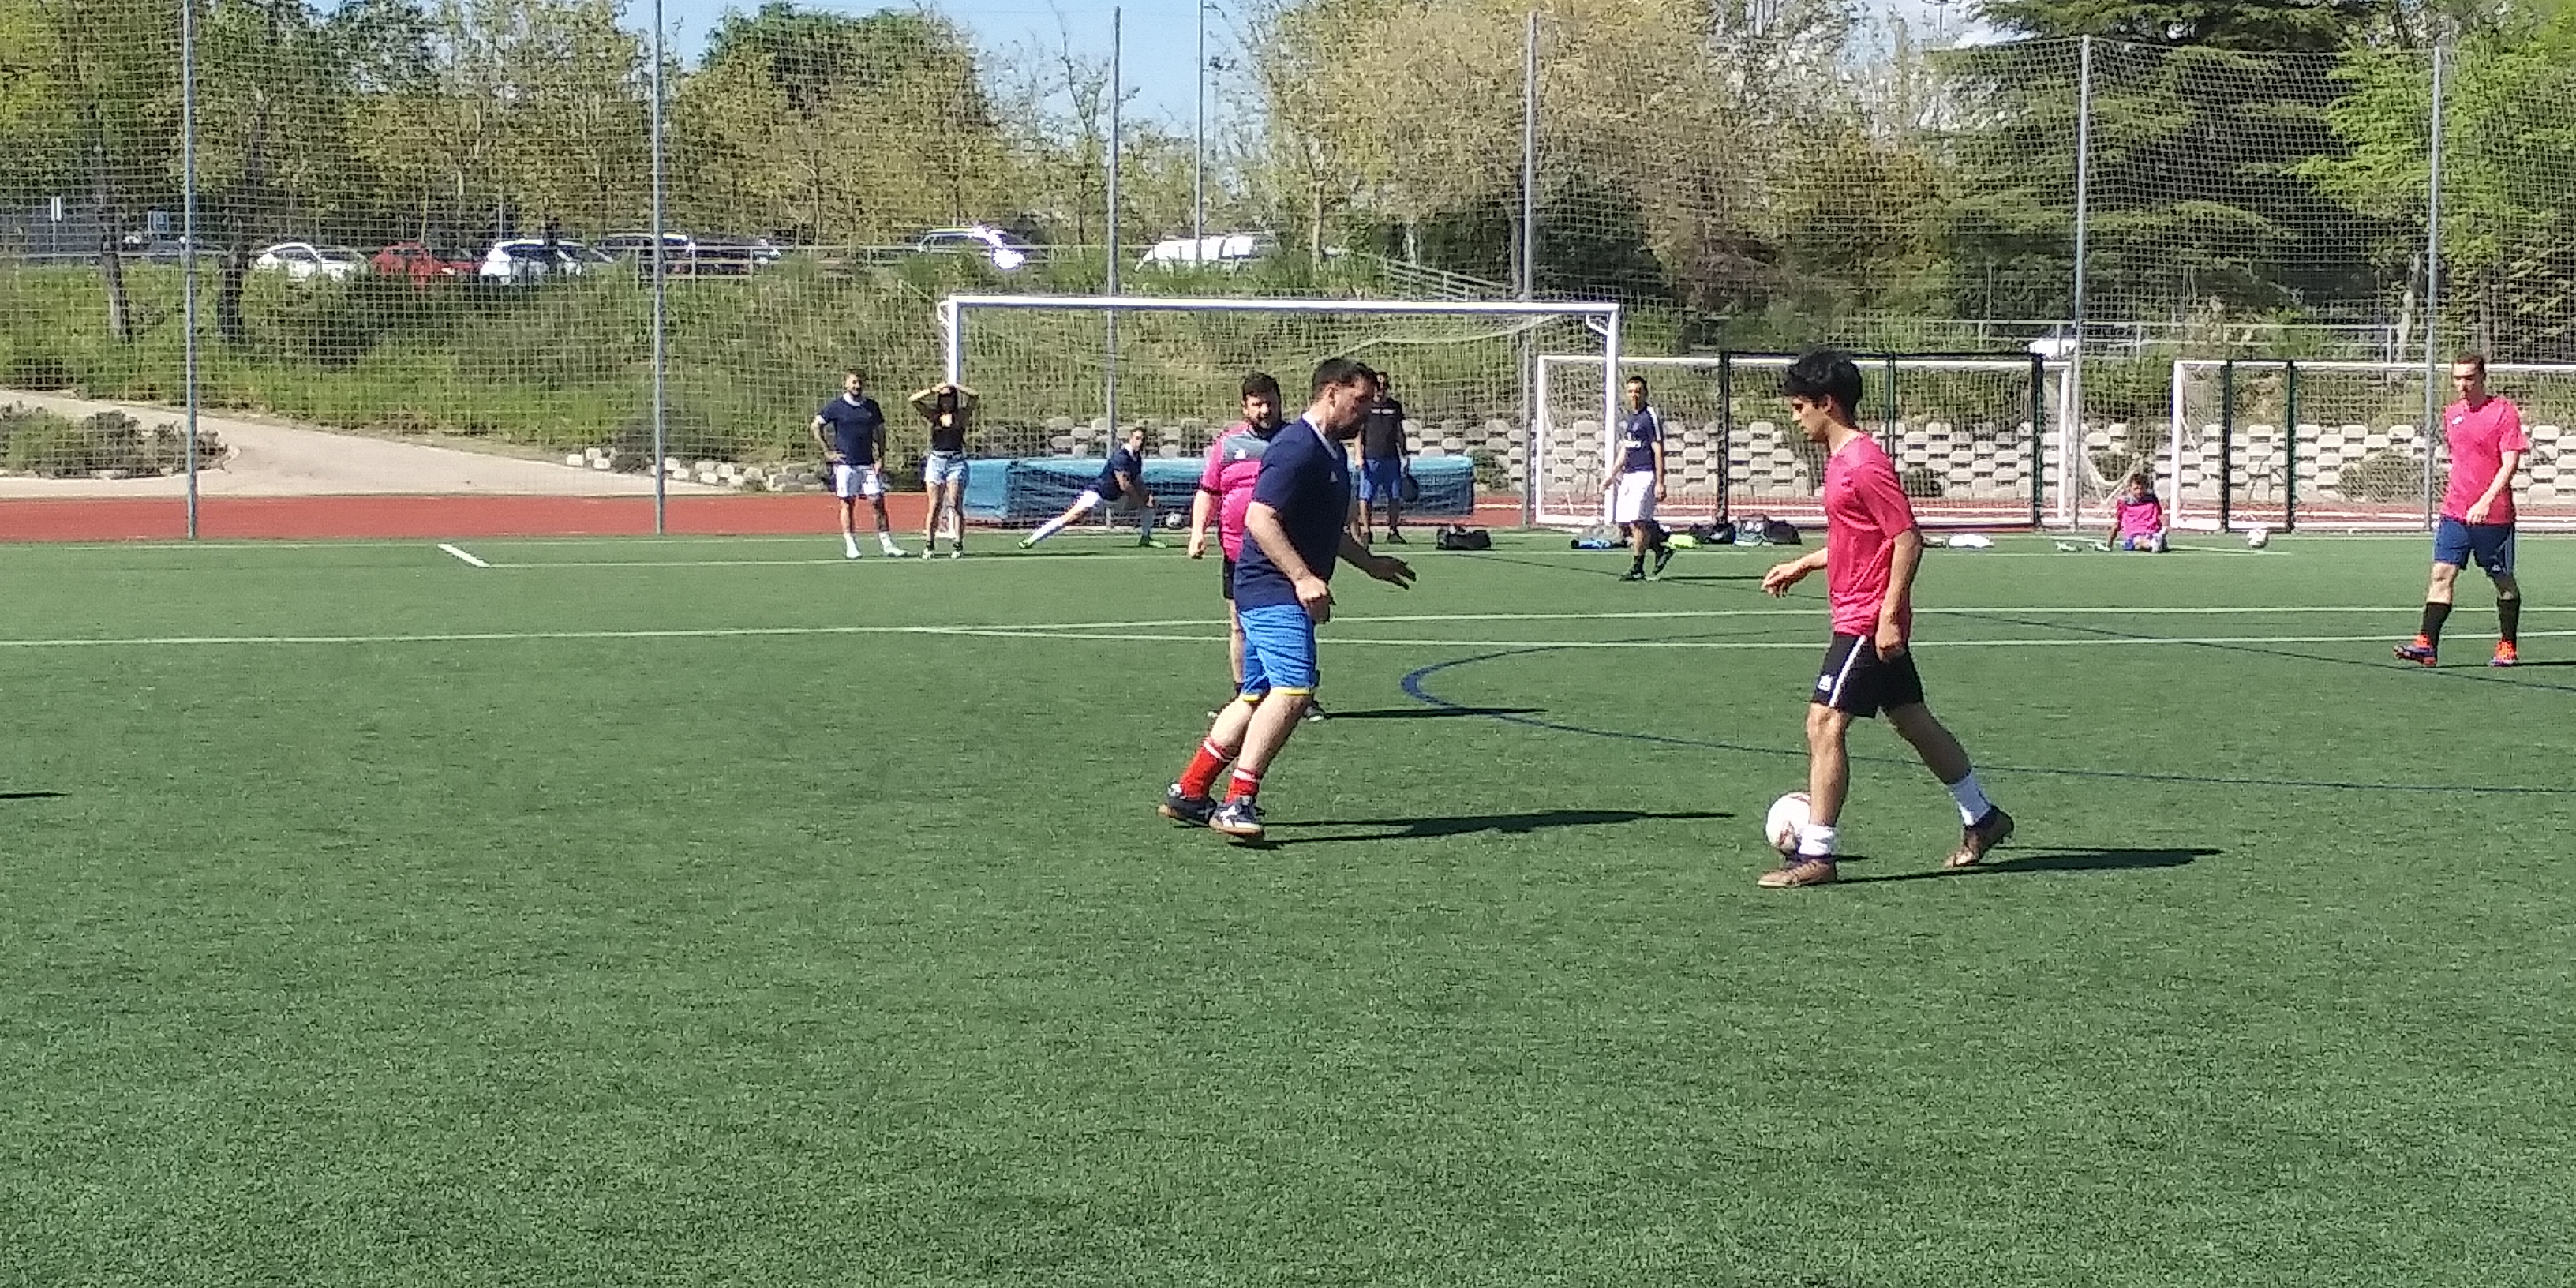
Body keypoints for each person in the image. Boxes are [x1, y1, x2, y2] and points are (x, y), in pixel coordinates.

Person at [1756, 350, 2013, 888]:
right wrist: (1806, 563)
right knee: (1911, 719)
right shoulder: (1839, 460)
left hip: (1867, 618)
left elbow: (1906, 538)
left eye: (1800, 406)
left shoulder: (1863, 463)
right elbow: (1860, 537)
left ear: (1828, 403)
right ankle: (1983, 817)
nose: (1795, 416)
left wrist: (1890, 612)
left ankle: (1817, 853)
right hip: (1862, 610)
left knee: (1824, 723)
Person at [1159, 358, 1416, 840]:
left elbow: (1326, 529)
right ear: (1331, 392)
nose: (1366, 411)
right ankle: (1238, 802)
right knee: (1296, 690)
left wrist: (1370, 564)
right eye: (1360, 400)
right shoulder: (1298, 446)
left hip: (1270, 588)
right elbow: (1259, 518)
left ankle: (1190, 791)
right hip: (1271, 587)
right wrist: (1302, 578)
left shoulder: (1331, 451)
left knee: (1255, 696)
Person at [1188, 373, 1327, 722]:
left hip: (1286, 552)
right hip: (1238, 553)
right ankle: (1245, 694)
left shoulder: (1296, 442)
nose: (1265, 410)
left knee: (1297, 622)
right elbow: (1208, 491)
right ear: (1245, 407)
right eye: (1257, 404)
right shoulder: (1228, 445)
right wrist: (1197, 532)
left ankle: (1302, 694)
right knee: (1239, 625)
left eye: (1270, 403)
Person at [2397, 353, 2529, 668]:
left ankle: (2508, 644)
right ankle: (2427, 645)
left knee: (2502, 580)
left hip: (2493, 515)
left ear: (2482, 377)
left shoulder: (2503, 412)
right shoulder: (2452, 414)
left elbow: (2509, 463)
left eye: (2469, 377)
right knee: (2441, 573)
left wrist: (2485, 501)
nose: (2463, 384)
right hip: (2455, 511)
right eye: (2457, 378)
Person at [811, 369, 905, 559]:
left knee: (877, 502)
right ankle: (851, 545)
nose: (857, 386)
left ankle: (887, 544)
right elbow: (815, 425)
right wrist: (827, 451)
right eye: (854, 382)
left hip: (868, 463)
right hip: (846, 464)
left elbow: (880, 432)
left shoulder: (871, 407)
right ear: (846, 384)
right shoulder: (836, 406)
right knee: (848, 503)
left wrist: (881, 458)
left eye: (860, 382)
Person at [1021, 427, 1159, 547]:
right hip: (1098, 494)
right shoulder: (1121, 456)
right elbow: (1124, 485)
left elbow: (1137, 480)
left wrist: (1146, 496)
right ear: (1131, 439)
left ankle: (1146, 537)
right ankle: (1032, 539)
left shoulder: (1137, 458)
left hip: (1115, 498)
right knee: (1071, 517)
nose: (1140, 442)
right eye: (1137, 438)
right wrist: (1138, 500)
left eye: (1142, 439)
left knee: (1149, 501)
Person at [1606, 375, 1674, 581]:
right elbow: (1626, 449)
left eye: (1638, 391)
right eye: (1631, 391)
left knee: (1638, 521)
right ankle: (1660, 548)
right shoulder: (1631, 419)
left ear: (1645, 394)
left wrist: (1660, 482)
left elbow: (1658, 449)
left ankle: (1638, 567)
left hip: (1645, 474)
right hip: (1629, 474)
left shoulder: (1649, 417)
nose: (1634, 395)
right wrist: (1611, 475)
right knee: (1624, 523)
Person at [910, 381, 979, 558]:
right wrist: (933, 389)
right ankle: (929, 544)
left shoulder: (961, 416)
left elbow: (974, 396)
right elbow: (913, 400)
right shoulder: (934, 415)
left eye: (949, 397)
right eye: (943, 397)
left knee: (955, 503)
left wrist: (955, 385)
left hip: (956, 462)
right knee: (935, 505)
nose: (946, 401)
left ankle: (958, 543)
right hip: (937, 462)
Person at [1355, 369, 1410, 544]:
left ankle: (1393, 531)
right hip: (1370, 457)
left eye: (1385, 385)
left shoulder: (1394, 407)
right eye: (1378, 385)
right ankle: (1367, 531)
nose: (1381, 388)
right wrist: (1358, 456)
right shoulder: (1366, 406)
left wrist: (1405, 454)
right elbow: (1358, 433)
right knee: (1366, 496)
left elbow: (1400, 432)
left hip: (1391, 458)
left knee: (1394, 496)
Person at [2107, 471, 2166, 552]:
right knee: (2137, 543)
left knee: (2147, 540)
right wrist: (2109, 542)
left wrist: (2161, 526)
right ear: (2129, 489)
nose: (2139, 492)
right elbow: (2118, 523)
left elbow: (2159, 518)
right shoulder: (2124, 503)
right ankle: (2153, 543)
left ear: (2145, 488)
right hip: (2133, 535)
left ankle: (2156, 541)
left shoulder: (2152, 501)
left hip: (2150, 532)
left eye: (2141, 489)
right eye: (2136, 489)